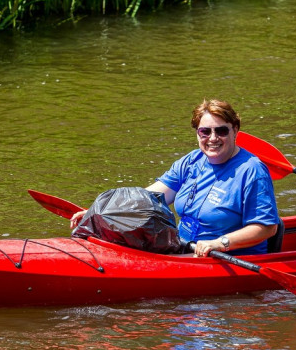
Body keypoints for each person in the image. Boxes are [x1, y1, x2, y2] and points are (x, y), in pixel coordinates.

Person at [70, 99, 280, 257]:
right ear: (197, 133)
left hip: (224, 257)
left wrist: (219, 243)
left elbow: (267, 227)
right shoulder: (192, 161)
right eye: (205, 131)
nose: (213, 138)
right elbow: (148, 199)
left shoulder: (252, 170)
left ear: (235, 130)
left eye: (222, 131)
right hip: (183, 250)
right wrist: (104, 213)